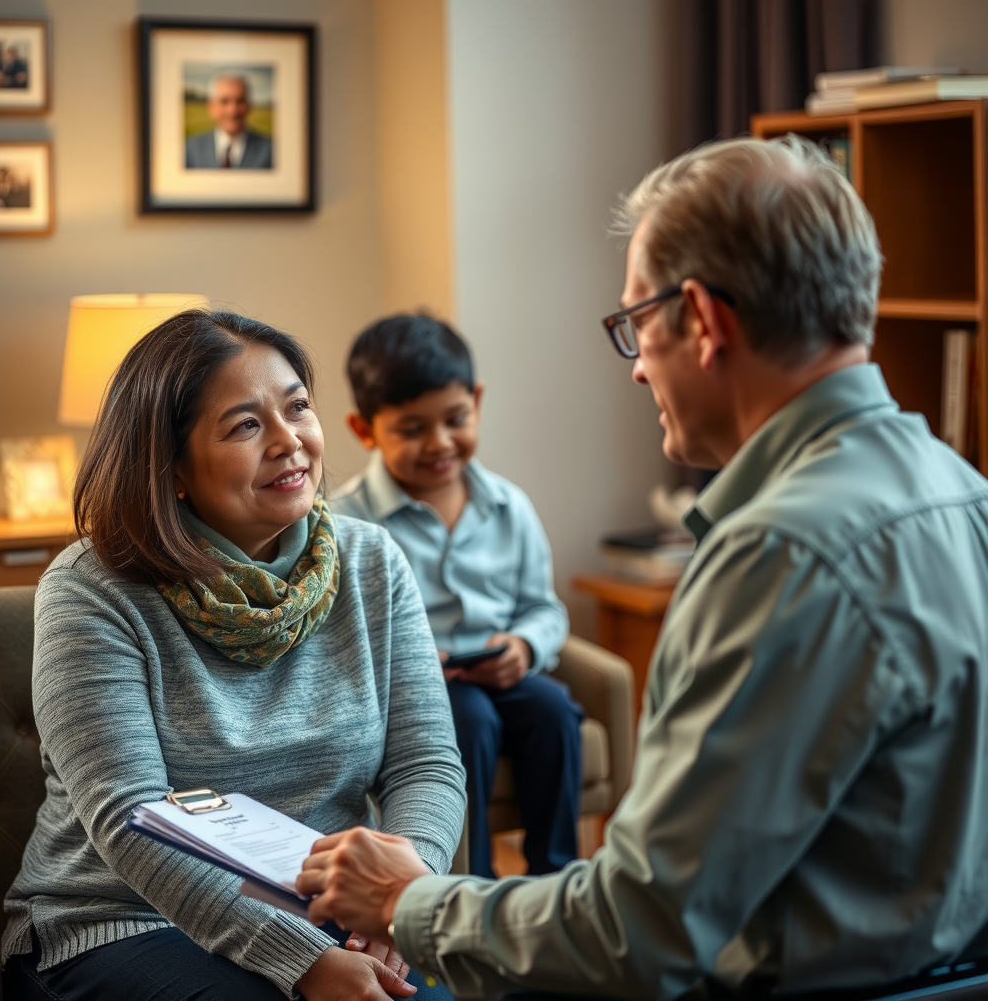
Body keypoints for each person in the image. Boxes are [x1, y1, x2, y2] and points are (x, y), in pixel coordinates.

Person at [294, 135, 988, 999]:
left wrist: (409, 902)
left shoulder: (780, 552)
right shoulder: (963, 491)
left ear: (701, 319)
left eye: (634, 325)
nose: (635, 372)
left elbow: (642, 933)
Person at [1, 309, 465, 1001]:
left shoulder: (373, 563)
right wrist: (304, 962)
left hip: (333, 911)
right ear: (174, 468)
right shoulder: (90, 591)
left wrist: (401, 900)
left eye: (297, 409)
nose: (290, 442)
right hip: (122, 919)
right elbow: (132, 819)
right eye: (246, 425)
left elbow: (426, 763)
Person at [331, 314, 582, 880]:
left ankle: (557, 876)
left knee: (554, 709)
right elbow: (346, 632)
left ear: (477, 400)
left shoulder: (507, 506)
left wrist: (524, 646)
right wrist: (418, 666)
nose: (440, 443)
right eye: (412, 429)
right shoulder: (350, 524)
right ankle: (470, 884)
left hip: (501, 672)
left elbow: (544, 608)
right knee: (466, 720)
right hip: (424, 690)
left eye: (455, 419)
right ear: (365, 429)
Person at [185, 72, 273, 169]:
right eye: (224, 101)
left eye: (240, 101)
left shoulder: (272, 151)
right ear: (211, 107)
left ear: (249, 106)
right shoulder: (190, 149)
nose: (233, 111)